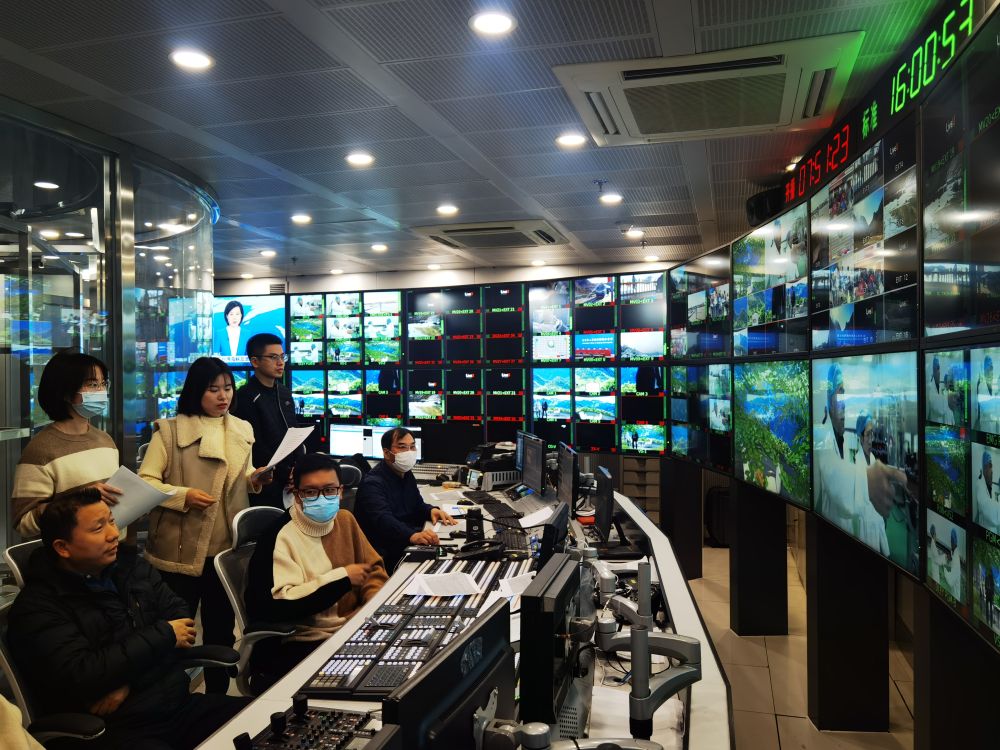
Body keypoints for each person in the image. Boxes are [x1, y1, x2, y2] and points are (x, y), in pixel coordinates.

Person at [6, 489, 249, 749]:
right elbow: (84, 674)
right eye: (98, 528)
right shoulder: (38, 607)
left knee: (264, 722)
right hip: (115, 729)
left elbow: (182, 622)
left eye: (111, 521)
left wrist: (128, 682)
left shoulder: (130, 567)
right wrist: (165, 635)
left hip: (179, 708)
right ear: (62, 547)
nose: (113, 534)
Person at [139, 356, 272, 693]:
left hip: (225, 549)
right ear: (196, 391)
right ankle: (171, 700)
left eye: (227, 388)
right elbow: (146, 482)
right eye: (213, 389)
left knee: (220, 630)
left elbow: (240, 475)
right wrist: (183, 495)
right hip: (179, 548)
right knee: (175, 630)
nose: (223, 396)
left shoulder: (241, 429)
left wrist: (254, 479)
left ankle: (216, 700)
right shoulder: (170, 431)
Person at [245, 453, 388, 690]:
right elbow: (275, 606)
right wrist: (341, 579)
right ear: (297, 495)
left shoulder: (345, 520)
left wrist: (372, 607)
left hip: (354, 628)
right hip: (306, 641)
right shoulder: (279, 536)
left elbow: (373, 570)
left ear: (341, 491)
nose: (322, 498)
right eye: (311, 492)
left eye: (330, 490)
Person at [11, 350, 123, 538]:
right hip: (69, 553)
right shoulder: (40, 450)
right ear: (65, 392)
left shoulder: (105, 440)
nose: (101, 391)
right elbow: (23, 522)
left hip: (111, 545)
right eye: (92, 384)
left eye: (103, 383)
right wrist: (78, 499)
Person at [354, 427, 456, 571]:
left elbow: (416, 504)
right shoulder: (372, 483)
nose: (409, 452)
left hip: (404, 539)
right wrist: (412, 535)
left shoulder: (405, 473)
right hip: (386, 551)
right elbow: (384, 520)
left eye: (412, 447)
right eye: (402, 447)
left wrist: (430, 510)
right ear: (386, 453)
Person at [232, 333, 304, 510]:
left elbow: (293, 431)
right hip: (265, 482)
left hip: (291, 480)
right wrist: (285, 472)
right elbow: (255, 446)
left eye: (282, 356)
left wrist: (298, 469)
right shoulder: (245, 397)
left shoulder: (284, 392)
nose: (280, 362)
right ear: (255, 361)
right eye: (273, 357)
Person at [852, 413, 890, 556]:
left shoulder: (873, 458)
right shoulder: (858, 462)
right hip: (867, 526)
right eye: (867, 435)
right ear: (861, 437)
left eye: (871, 434)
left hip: (877, 521)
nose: (870, 440)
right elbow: (858, 503)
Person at [974, 449, 999, 533]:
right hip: (985, 531)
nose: (992, 470)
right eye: (990, 466)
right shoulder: (980, 485)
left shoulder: (988, 484)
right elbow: (994, 514)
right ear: (985, 468)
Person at [927, 356, 955, 425]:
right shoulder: (930, 389)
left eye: (939, 368)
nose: (938, 371)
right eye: (936, 368)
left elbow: (950, 409)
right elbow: (940, 409)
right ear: (932, 371)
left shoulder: (942, 386)